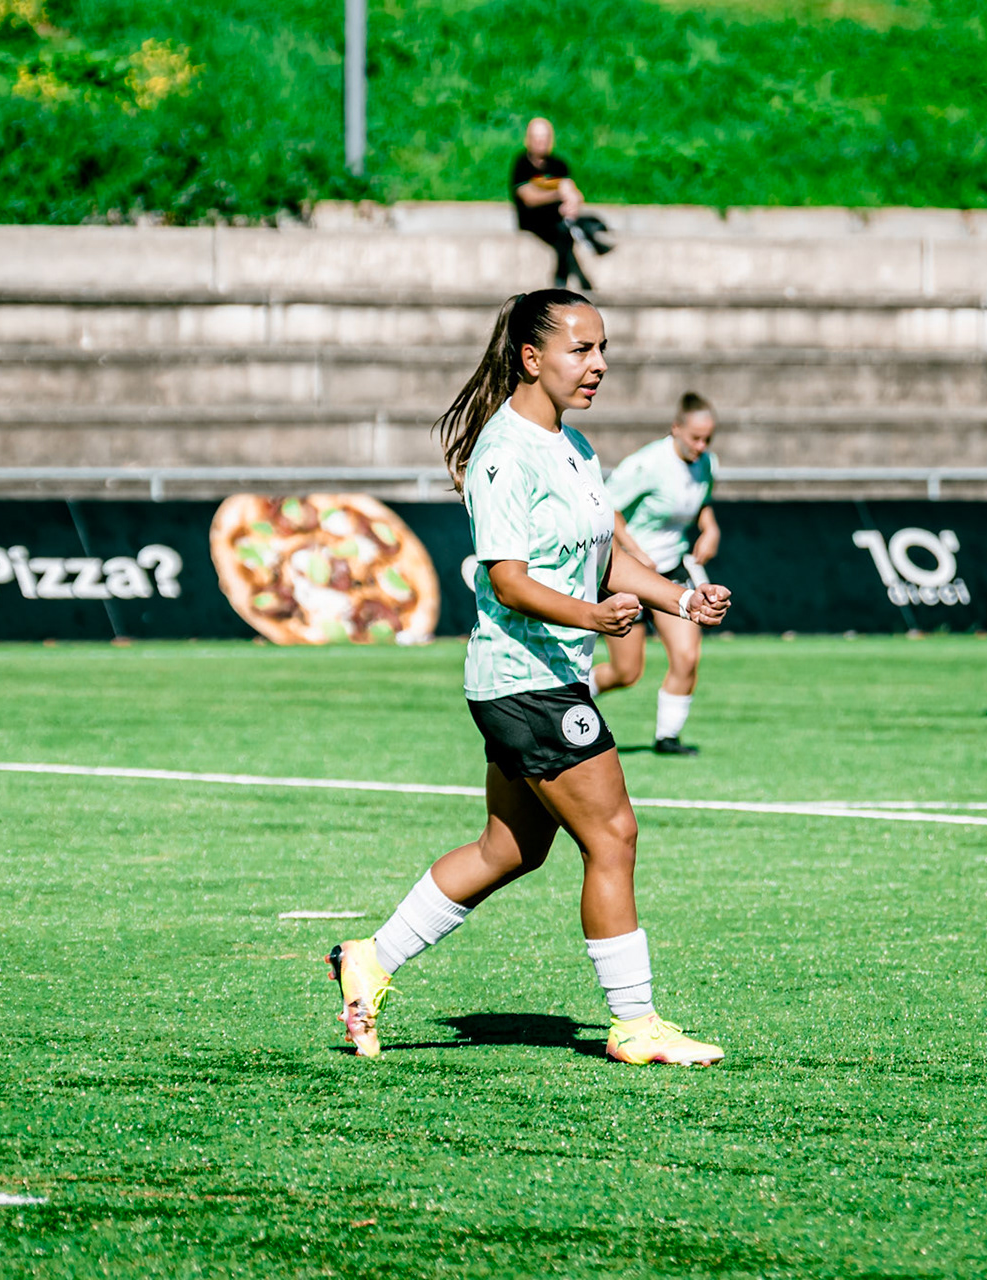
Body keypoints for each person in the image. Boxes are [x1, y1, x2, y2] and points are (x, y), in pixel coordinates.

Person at [328, 288, 730, 1066]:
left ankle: (367, 959)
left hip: (534, 677)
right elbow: (507, 581)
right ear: (531, 357)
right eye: (582, 350)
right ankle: (635, 1024)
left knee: (510, 847)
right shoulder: (504, 453)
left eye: (603, 347)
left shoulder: (573, 447)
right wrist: (593, 619)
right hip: (526, 680)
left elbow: (608, 551)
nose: (600, 364)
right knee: (613, 835)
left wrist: (680, 596)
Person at [589, 392, 722, 755]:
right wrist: (634, 551)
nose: (702, 445)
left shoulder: (706, 463)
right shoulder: (647, 463)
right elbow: (606, 507)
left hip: (673, 569)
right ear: (675, 428)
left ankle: (668, 737)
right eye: (695, 437)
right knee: (626, 672)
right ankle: (572, 697)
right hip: (628, 573)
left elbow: (702, 503)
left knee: (687, 656)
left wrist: (710, 529)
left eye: (708, 438)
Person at [510, 118, 607, 291]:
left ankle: (566, 277)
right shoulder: (522, 164)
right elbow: (527, 197)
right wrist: (557, 194)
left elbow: (573, 192)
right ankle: (564, 279)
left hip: (558, 218)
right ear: (528, 140)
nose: (541, 143)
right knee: (565, 233)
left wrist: (572, 203)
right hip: (534, 220)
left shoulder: (559, 165)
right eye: (537, 138)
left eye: (545, 138)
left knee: (571, 227)